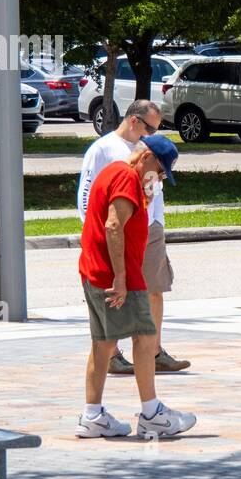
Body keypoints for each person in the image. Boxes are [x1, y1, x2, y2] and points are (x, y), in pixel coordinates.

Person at [76, 134, 197, 439]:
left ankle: (93, 416)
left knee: (103, 344)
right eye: (159, 171)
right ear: (146, 158)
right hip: (118, 278)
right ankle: (152, 413)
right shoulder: (127, 178)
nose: (159, 179)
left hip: (96, 272)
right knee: (145, 337)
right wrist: (120, 279)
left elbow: (119, 220)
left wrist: (148, 195)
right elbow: (114, 224)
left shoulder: (116, 172)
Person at [76, 99, 191, 376]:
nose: (154, 134)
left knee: (154, 287)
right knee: (116, 289)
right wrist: (95, 231)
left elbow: (156, 191)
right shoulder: (105, 149)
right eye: (151, 128)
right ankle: (112, 353)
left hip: (148, 228)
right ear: (134, 121)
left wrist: (158, 221)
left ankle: (154, 351)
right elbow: (87, 194)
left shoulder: (151, 151)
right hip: (117, 230)